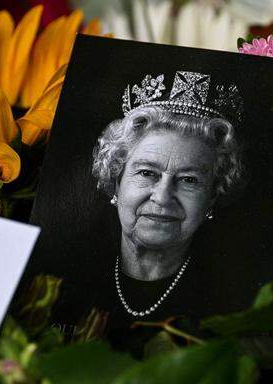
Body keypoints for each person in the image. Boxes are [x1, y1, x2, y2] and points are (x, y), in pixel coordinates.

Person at [92, 105, 243, 318]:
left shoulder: (232, 302)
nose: (162, 197)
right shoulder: (65, 276)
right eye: (147, 173)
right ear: (116, 182)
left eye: (189, 180)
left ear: (212, 197)